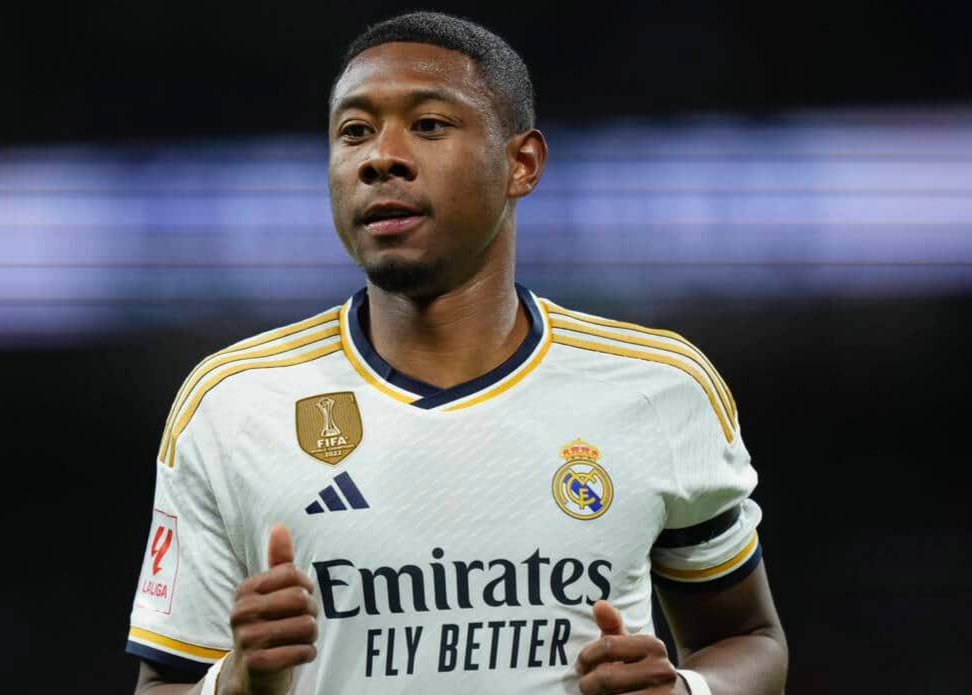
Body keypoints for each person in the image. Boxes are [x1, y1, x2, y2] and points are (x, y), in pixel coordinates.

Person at [126, 11, 788, 695]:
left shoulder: (657, 387)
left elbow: (746, 639)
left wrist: (687, 691)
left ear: (521, 164)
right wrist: (235, 681)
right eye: (354, 131)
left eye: (429, 124)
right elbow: (163, 683)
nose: (380, 157)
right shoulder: (233, 403)